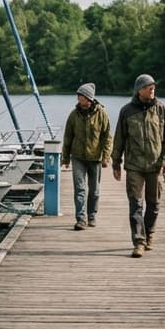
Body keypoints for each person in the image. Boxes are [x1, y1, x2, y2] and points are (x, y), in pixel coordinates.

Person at [111, 73, 165, 258]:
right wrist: (116, 162)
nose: (152, 89)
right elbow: (119, 139)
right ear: (139, 90)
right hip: (134, 166)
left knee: (154, 204)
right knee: (136, 205)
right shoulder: (127, 111)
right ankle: (138, 242)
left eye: (153, 86)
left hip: (156, 166)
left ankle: (150, 235)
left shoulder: (162, 110)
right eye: (149, 86)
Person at [62, 82, 111, 231]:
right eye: (78, 95)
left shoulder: (101, 113)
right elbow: (68, 137)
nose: (78, 98)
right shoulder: (73, 114)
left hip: (95, 158)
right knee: (79, 188)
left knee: (94, 190)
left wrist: (106, 157)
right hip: (77, 157)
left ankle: (92, 215)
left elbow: (107, 137)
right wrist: (65, 158)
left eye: (80, 95)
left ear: (88, 98)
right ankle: (81, 218)